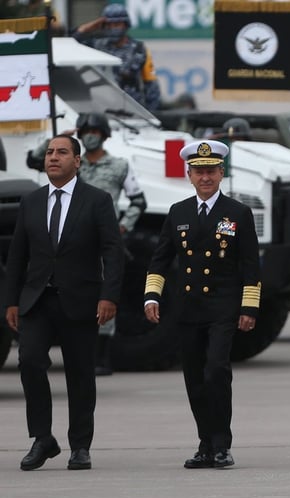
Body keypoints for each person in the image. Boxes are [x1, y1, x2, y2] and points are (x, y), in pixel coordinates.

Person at [4, 135, 124, 471]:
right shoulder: (32, 202)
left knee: (80, 373)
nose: (53, 157)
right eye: (49, 153)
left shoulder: (97, 200)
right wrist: (11, 301)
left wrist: (109, 295)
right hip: (37, 300)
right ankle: (42, 438)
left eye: (62, 152)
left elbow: (112, 252)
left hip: (81, 299)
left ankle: (80, 445)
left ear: (77, 161)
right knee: (28, 361)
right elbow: (17, 256)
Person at [143, 140, 261, 469]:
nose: (205, 177)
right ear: (189, 174)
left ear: (221, 173)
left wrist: (249, 308)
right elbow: (160, 260)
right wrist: (152, 295)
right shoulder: (178, 212)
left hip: (223, 306)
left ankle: (222, 444)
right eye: (199, 172)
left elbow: (251, 265)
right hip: (188, 307)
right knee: (194, 378)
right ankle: (205, 444)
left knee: (216, 371)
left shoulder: (237, 212)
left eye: (211, 171)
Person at [27, 113, 148, 376]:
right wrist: (61, 138)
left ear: (104, 134)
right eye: (86, 130)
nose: (90, 134)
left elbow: (139, 201)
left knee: (106, 294)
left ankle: (102, 357)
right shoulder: (70, 162)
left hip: (103, 239)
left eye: (95, 130)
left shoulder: (119, 166)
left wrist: (123, 226)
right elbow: (33, 160)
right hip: (70, 241)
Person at [73, 3, 161, 110]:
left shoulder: (138, 49)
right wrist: (92, 26)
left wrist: (151, 115)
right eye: (109, 24)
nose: (113, 28)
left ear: (125, 25)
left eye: (117, 24)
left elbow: (151, 85)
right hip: (101, 108)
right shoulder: (96, 45)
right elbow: (72, 41)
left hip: (131, 109)